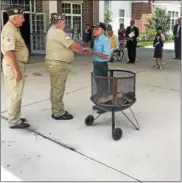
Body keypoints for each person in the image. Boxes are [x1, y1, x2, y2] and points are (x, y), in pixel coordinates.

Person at [45, 13, 86, 120]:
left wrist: (75, 51)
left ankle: (56, 108)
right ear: (59, 22)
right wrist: (82, 49)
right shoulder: (58, 32)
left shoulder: (51, 30)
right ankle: (58, 113)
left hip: (53, 63)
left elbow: (63, 46)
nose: (65, 24)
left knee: (55, 88)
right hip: (58, 64)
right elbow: (72, 44)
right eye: (63, 22)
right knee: (58, 88)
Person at [1, 8, 30, 128]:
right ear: (14, 18)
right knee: (15, 94)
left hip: (14, 64)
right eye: (22, 17)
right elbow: (9, 52)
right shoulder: (9, 30)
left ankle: (15, 116)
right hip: (14, 65)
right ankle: (14, 121)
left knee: (14, 92)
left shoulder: (13, 29)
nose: (23, 20)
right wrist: (17, 70)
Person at [85, 22, 110, 113]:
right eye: (94, 29)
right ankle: (100, 104)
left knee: (103, 86)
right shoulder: (95, 40)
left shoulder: (105, 40)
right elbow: (95, 52)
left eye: (97, 29)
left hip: (102, 65)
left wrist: (93, 53)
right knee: (98, 86)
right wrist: (90, 51)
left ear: (102, 31)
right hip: (96, 64)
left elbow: (106, 56)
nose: (94, 31)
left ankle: (105, 106)